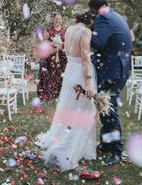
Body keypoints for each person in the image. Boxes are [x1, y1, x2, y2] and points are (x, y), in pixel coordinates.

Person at [35, 11, 97, 171]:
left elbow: (65, 49)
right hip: (80, 73)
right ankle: (64, 149)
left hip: (70, 71)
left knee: (68, 107)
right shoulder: (85, 31)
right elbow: (85, 57)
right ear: (89, 21)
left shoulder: (69, 30)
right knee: (85, 111)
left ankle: (63, 139)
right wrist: (89, 83)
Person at [88, 0, 132, 165]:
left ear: (93, 9)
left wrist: (84, 30)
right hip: (119, 68)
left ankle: (116, 150)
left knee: (109, 109)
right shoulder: (115, 15)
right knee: (105, 108)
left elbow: (98, 42)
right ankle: (106, 144)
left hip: (111, 71)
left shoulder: (103, 17)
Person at [37, 14, 67, 102]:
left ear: (61, 20)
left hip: (61, 57)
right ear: (53, 20)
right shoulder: (48, 30)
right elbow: (43, 43)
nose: (57, 20)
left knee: (60, 74)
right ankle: (49, 94)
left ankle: (60, 93)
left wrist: (61, 45)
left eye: (59, 19)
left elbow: (67, 43)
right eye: (56, 19)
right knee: (50, 74)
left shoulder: (65, 31)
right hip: (50, 56)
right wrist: (51, 45)